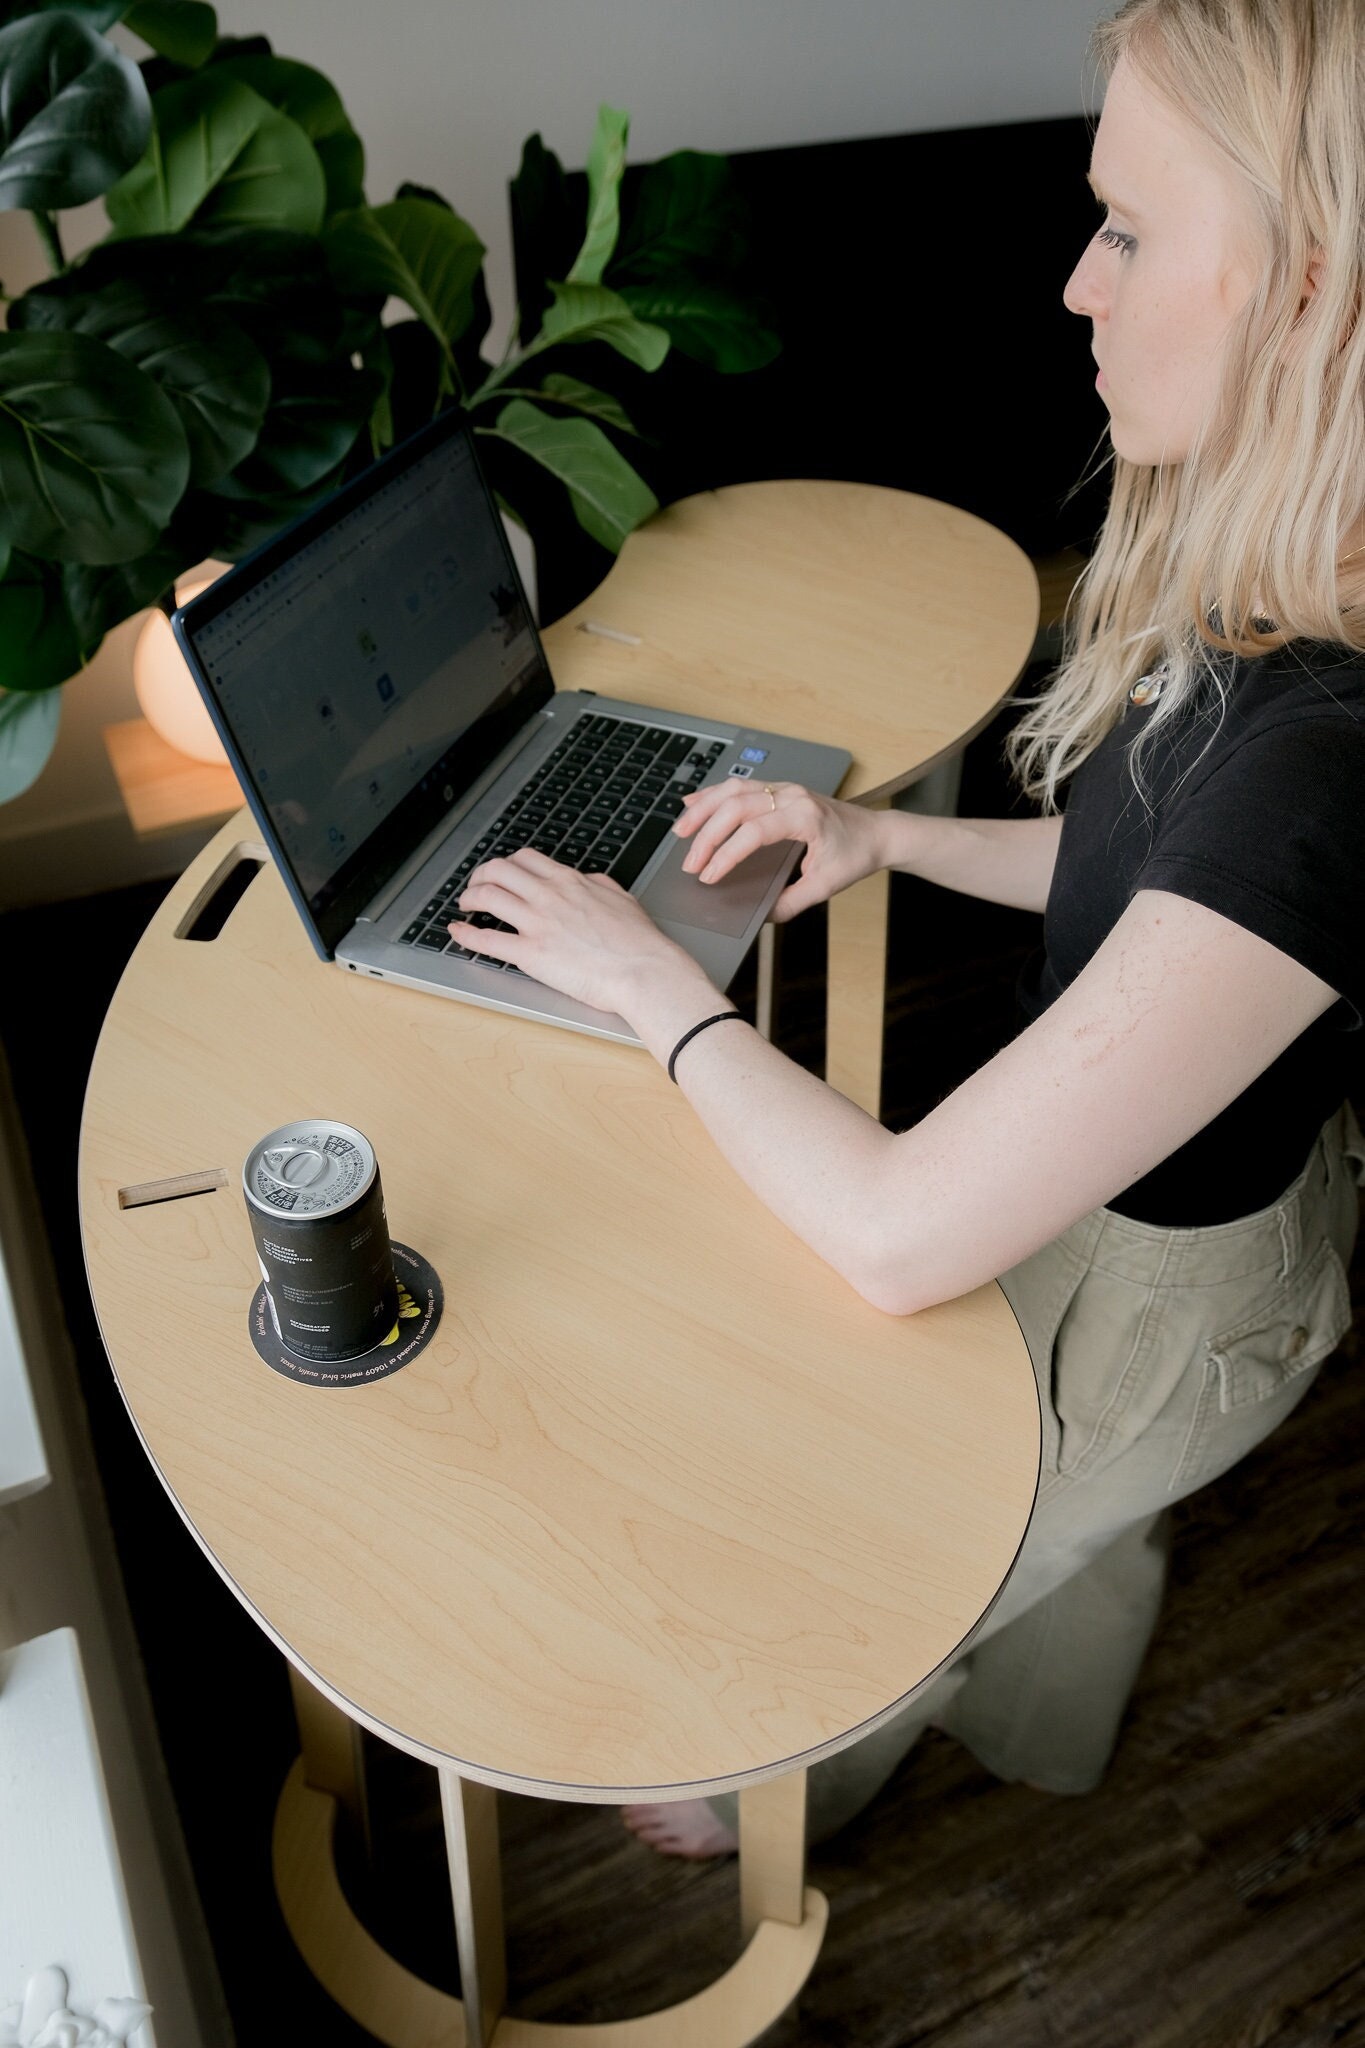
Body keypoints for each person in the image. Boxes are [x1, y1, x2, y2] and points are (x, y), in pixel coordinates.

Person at [450, 0, 1365, 1859]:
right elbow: (1151, 903)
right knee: (1061, 1525)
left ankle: (792, 1775)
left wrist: (645, 979)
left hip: (1169, 1304)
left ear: (1300, 291)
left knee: (915, 1574)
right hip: (1165, 1219)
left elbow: (894, 1233)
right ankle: (1036, 1720)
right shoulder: (1282, 579)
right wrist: (883, 838)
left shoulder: (1331, 764)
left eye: (1123, 229)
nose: (1071, 288)